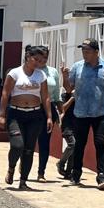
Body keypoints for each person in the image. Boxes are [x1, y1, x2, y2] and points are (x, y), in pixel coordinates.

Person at [62, 38, 104, 190]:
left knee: (100, 143)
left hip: (100, 112)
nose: (84, 54)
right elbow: (69, 89)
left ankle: (102, 176)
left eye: (87, 51)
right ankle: (75, 175)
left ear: (96, 52)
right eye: (83, 51)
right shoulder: (78, 67)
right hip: (81, 112)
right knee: (79, 144)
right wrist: (64, 77)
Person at [0, 45, 53, 191]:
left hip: (35, 115)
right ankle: (11, 167)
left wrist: (49, 117)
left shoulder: (41, 75)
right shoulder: (15, 73)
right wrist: (2, 115)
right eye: (36, 59)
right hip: (16, 114)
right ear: (28, 57)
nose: (38, 62)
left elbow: (45, 97)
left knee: (29, 149)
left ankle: (23, 181)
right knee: (17, 145)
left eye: (41, 60)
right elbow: (5, 93)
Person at [33, 45, 62, 182]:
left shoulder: (52, 72)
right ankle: (23, 162)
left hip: (47, 108)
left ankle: (41, 173)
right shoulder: (29, 71)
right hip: (31, 107)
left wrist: (60, 110)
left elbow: (56, 93)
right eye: (41, 57)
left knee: (44, 142)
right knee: (28, 141)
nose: (43, 60)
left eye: (46, 57)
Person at [55, 90, 78, 179]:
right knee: (72, 144)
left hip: (77, 124)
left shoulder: (80, 96)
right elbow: (62, 109)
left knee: (74, 148)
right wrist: (72, 98)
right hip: (67, 125)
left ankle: (68, 172)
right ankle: (61, 163)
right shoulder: (64, 95)